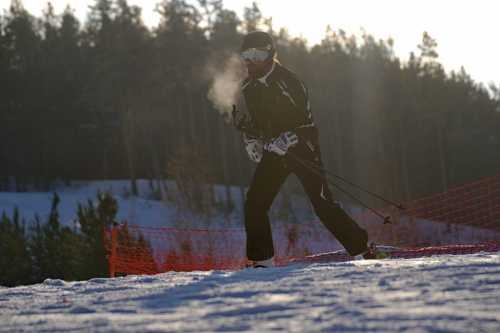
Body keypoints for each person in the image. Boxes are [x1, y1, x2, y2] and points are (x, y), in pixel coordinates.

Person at [235, 31, 376, 268]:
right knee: (255, 203)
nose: (251, 60)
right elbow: (253, 121)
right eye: (246, 54)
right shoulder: (248, 87)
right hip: (275, 152)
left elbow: (305, 123)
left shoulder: (289, 81)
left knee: (323, 205)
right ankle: (263, 262)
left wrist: (285, 140)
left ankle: (362, 250)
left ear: (269, 54)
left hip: (303, 149)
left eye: (256, 54)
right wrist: (251, 140)